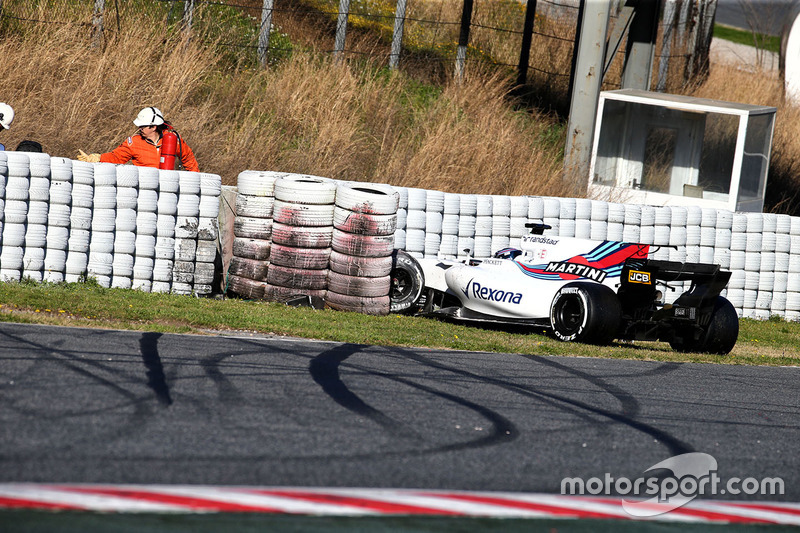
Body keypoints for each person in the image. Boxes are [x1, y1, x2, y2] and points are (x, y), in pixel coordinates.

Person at [78, 107, 199, 172]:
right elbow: (117, 157)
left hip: (167, 187)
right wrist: (98, 158)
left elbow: (188, 158)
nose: (139, 129)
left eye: (142, 126)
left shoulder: (172, 140)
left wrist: (194, 179)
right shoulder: (133, 142)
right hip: (144, 188)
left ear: (153, 127)